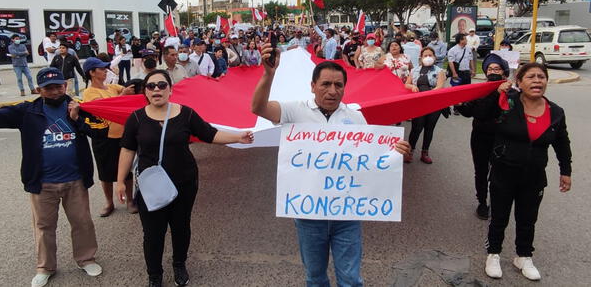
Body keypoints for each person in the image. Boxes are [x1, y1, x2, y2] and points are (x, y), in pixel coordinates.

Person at [251, 45, 411, 287]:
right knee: (315, 278)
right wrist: (268, 74)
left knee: (351, 279)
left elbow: (369, 157)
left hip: (347, 213)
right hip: (308, 214)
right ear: (312, 86)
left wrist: (395, 150)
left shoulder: (355, 117)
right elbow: (258, 108)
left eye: (338, 85)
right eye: (325, 84)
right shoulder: (295, 110)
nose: (332, 91)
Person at [0, 68, 106, 287]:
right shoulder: (27, 111)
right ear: (38, 90)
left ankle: (86, 258)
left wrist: (77, 119)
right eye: (48, 88)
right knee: (44, 227)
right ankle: (45, 266)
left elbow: (102, 129)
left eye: (58, 86)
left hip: (75, 180)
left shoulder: (78, 107)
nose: (54, 92)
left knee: (82, 223)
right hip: (43, 182)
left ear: (66, 86)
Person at [117, 70, 253, 287]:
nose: (157, 90)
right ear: (145, 91)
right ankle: (155, 275)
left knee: (181, 227)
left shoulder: (186, 114)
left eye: (162, 85)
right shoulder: (136, 118)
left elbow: (210, 134)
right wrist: (120, 181)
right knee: (153, 233)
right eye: (151, 86)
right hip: (151, 185)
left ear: (171, 89)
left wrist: (239, 137)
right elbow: (127, 150)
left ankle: (179, 264)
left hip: (184, 183)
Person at [477, 63, 572, 282]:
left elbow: (562, 143)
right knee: (499, 217)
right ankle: (493, 254)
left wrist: (565, 170)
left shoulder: (556, 112)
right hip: (503, 172)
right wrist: (495, 94)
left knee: (527, 219)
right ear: (519, 82)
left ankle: (524, 256)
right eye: (531, 77)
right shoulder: (507, 103)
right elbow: (479, 114)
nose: (537, 80)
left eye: (541, 77)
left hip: (534, 176)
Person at [455, 53, 510, 220]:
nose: (493, 71)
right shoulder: (480, 90)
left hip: (503, 139)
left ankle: (498, 201)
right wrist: (458, 103)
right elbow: (475, 112)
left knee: (499, 172)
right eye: (490, 69)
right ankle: (482, 201)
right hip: (481, 137)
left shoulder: (512, 92)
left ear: (504, 72)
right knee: (481, 171)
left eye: (497, 68)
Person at [83, 57, 137, 217]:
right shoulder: (89, 92)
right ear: (91, 73)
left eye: (106, 68)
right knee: (105, 173)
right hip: (103, 136)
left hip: (122, 134)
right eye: (101, 68)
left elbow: (128, 90)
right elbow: (105, 108)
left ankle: (130, 200)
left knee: (126, 171)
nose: (105, 70)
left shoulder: (112, 87)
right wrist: (123, 96)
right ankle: (109, 202)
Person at [404, 47, 447, 164]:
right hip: (418, 103)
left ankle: (425, 152)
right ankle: (410, 151)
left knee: (429, 128)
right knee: (416, 128)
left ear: (434, 57)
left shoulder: (439, 71)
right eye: (425, 55)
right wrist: (412, 86)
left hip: (434, 103)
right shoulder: (415, 70)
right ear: (421, 57)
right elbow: (406, 84)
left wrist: (428, 94)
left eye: (430, 55)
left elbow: (440, 86)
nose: (428, 57)